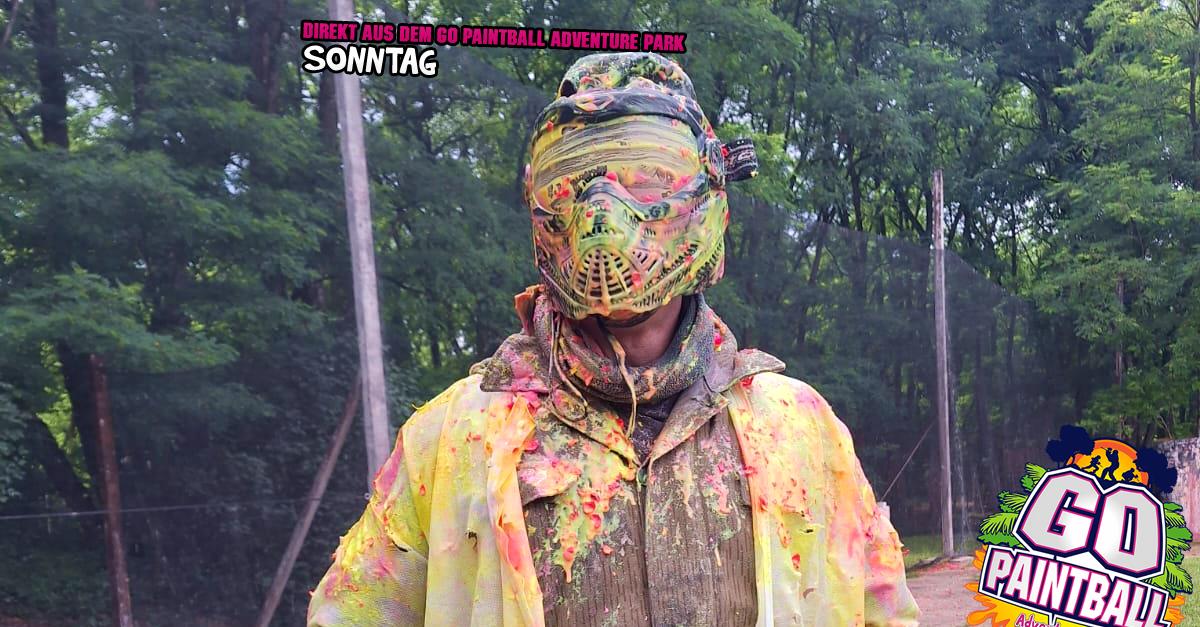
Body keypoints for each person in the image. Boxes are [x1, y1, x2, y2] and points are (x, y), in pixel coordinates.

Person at [307, 52, 920, 627]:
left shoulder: (799, 430)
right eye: (570, 182)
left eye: (649, 178)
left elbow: (883, 612)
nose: (603, 212)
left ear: (711, 196)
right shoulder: (452, 442)